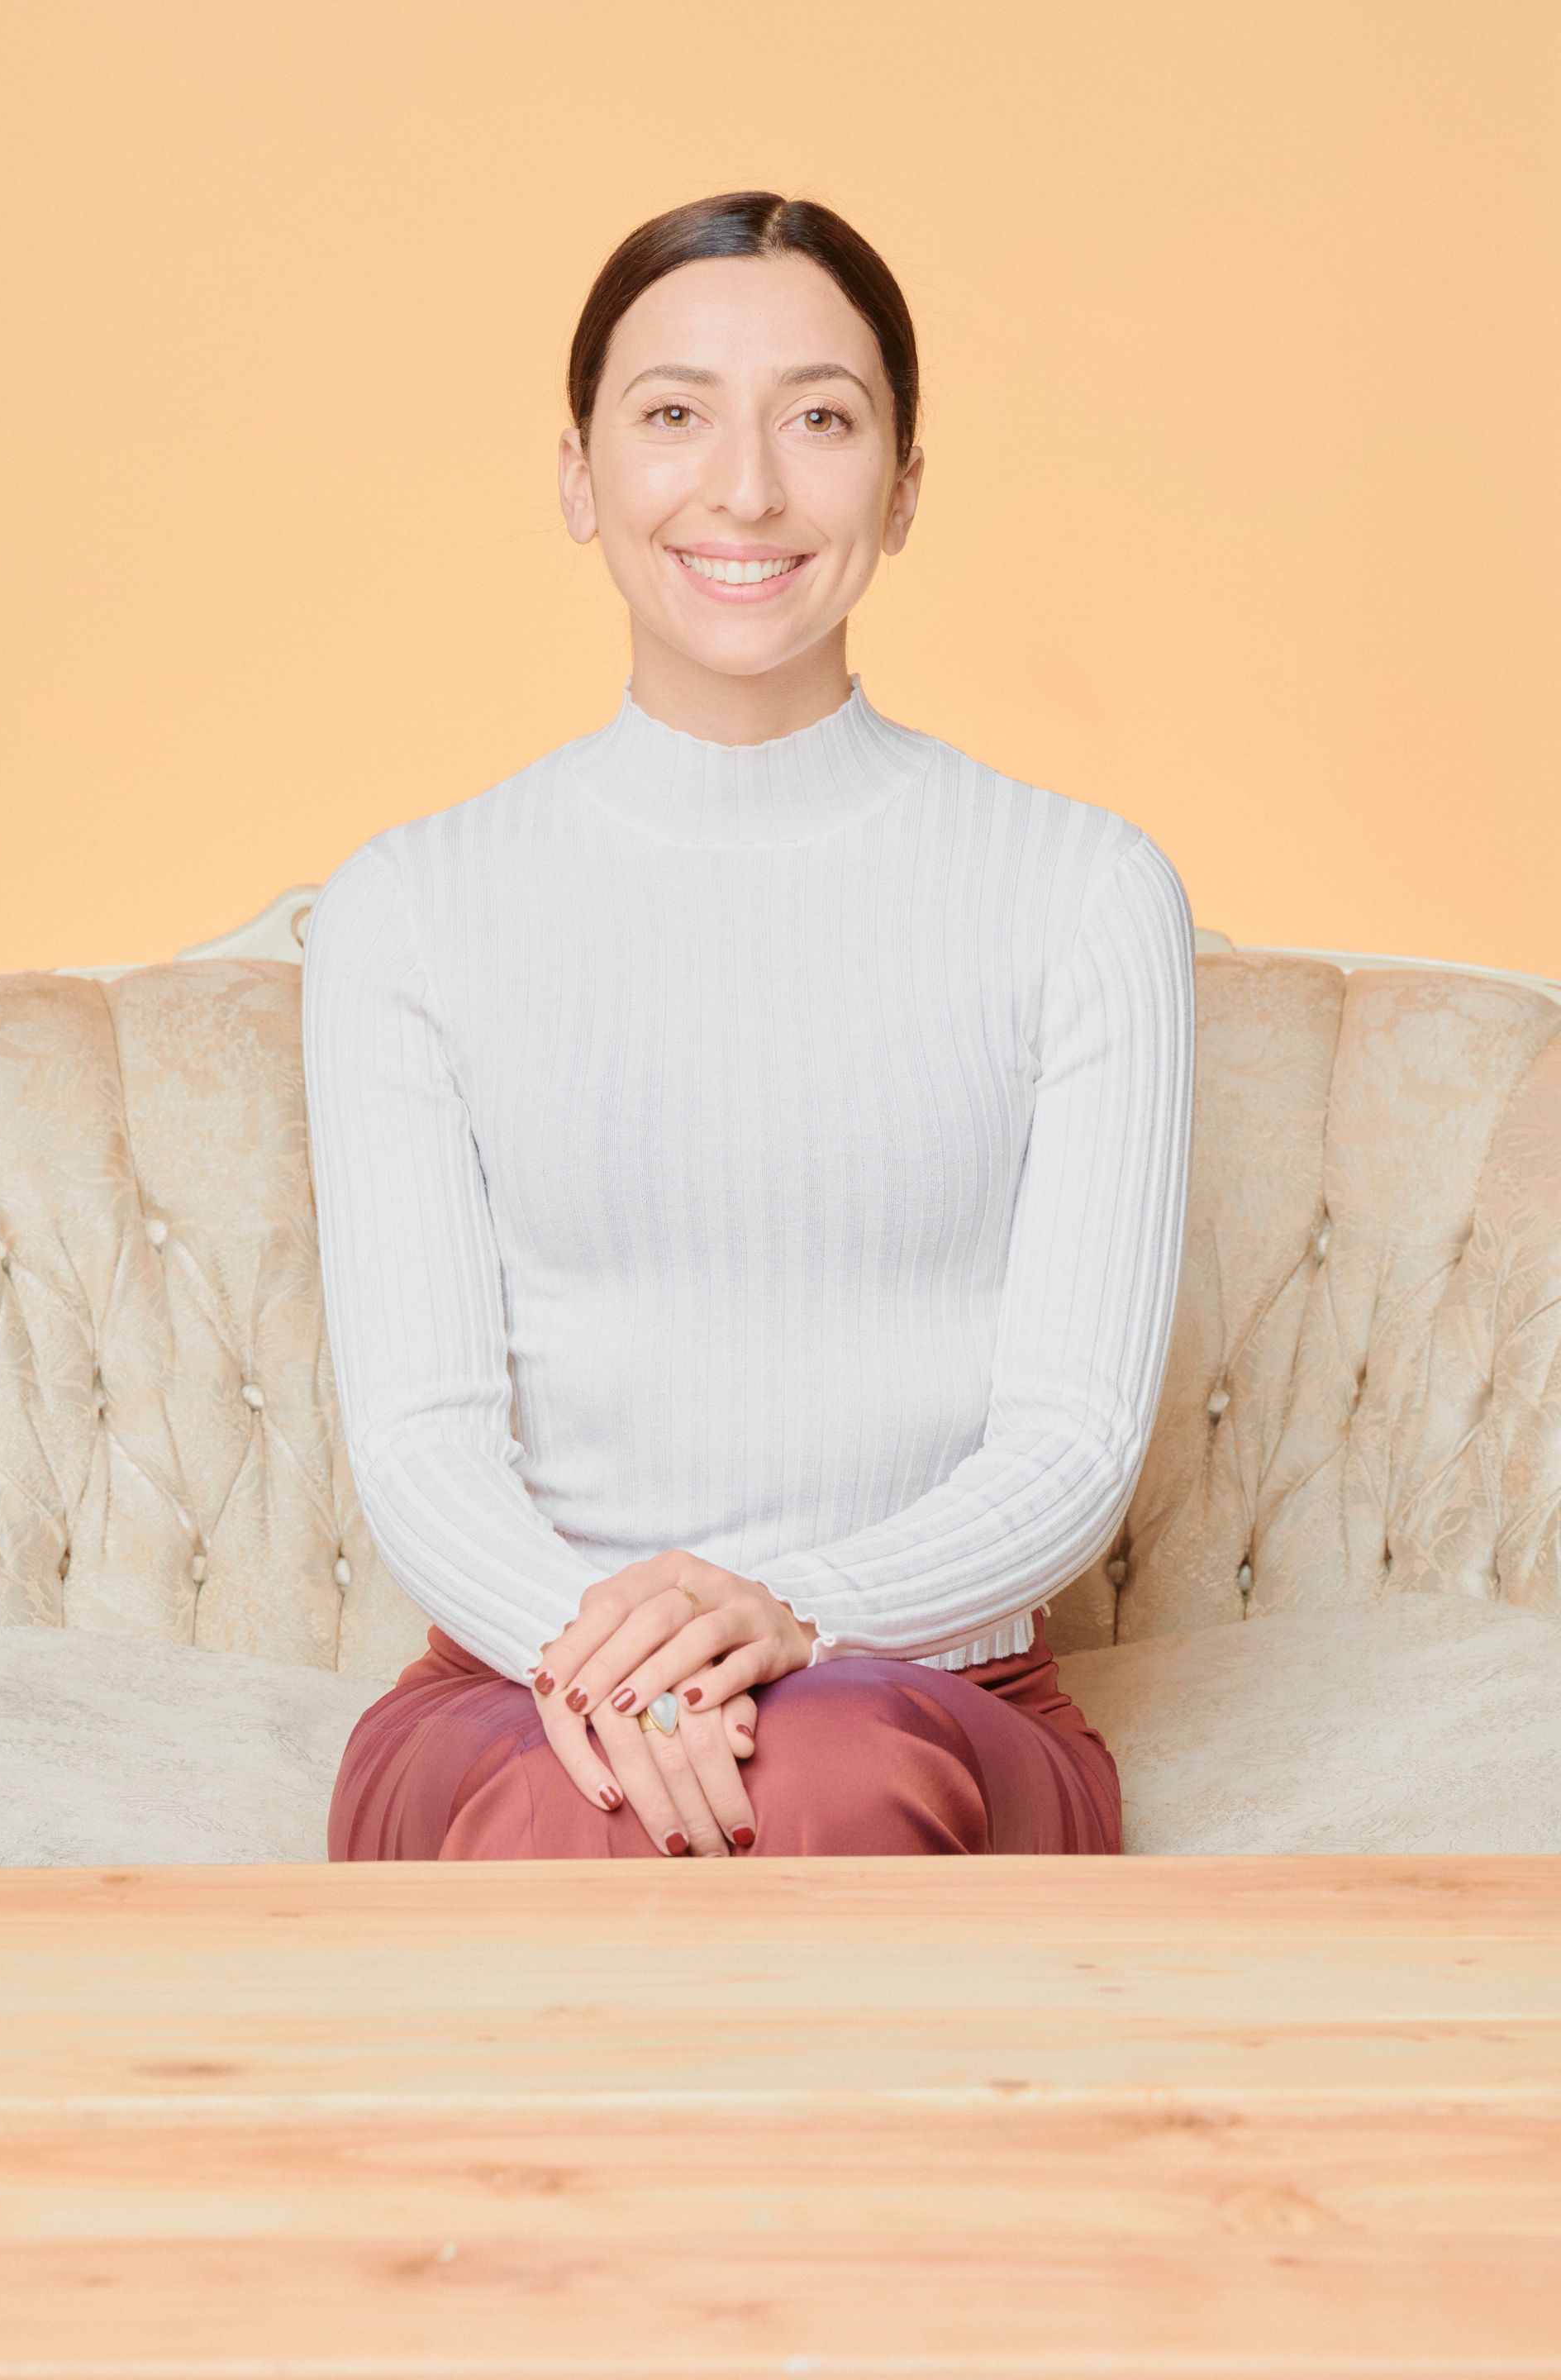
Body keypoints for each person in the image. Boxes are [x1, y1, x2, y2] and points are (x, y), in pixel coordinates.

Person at [302, 188, 1197, 1863]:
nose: (747, 486)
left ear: (907, 485)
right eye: (672, 416)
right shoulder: (410, 904)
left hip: (939, 1691)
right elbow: (424, 1445)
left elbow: (1072, 1443)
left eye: (822, 418)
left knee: (829, 1769)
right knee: (562, 1798)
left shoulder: (1084, 889)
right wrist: (619, 1671)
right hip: (519, 1679)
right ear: (577, 475)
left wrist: (793, 1613)